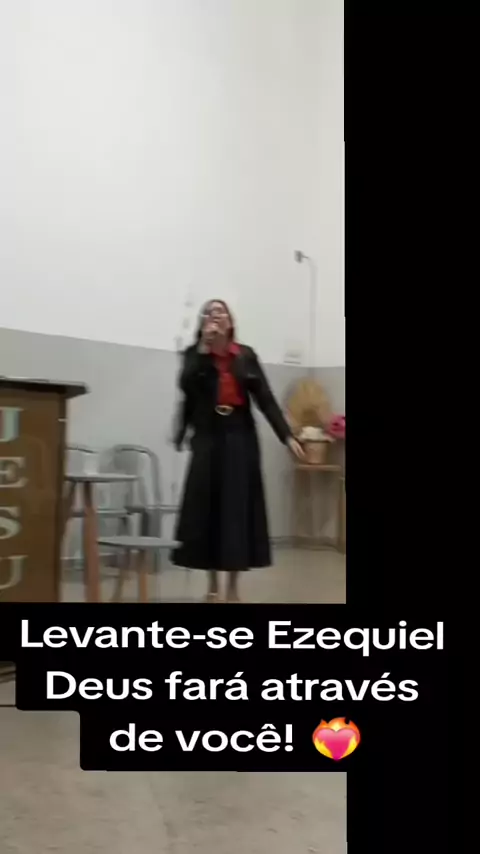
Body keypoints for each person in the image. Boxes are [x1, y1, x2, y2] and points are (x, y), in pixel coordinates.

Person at [171, 299, 304, 602]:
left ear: (230, 322)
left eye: (221, 312)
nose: (215, 316)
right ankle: (212, 585)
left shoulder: (245, 355)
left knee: (235, 511)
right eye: (210, 312)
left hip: (239, 437)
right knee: (207, 510)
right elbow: (187, 387)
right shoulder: (194, 355)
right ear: (203, 322)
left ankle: (232, 588)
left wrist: (286, 435)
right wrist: (204, 349)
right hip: (208, 437)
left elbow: (265, 399)